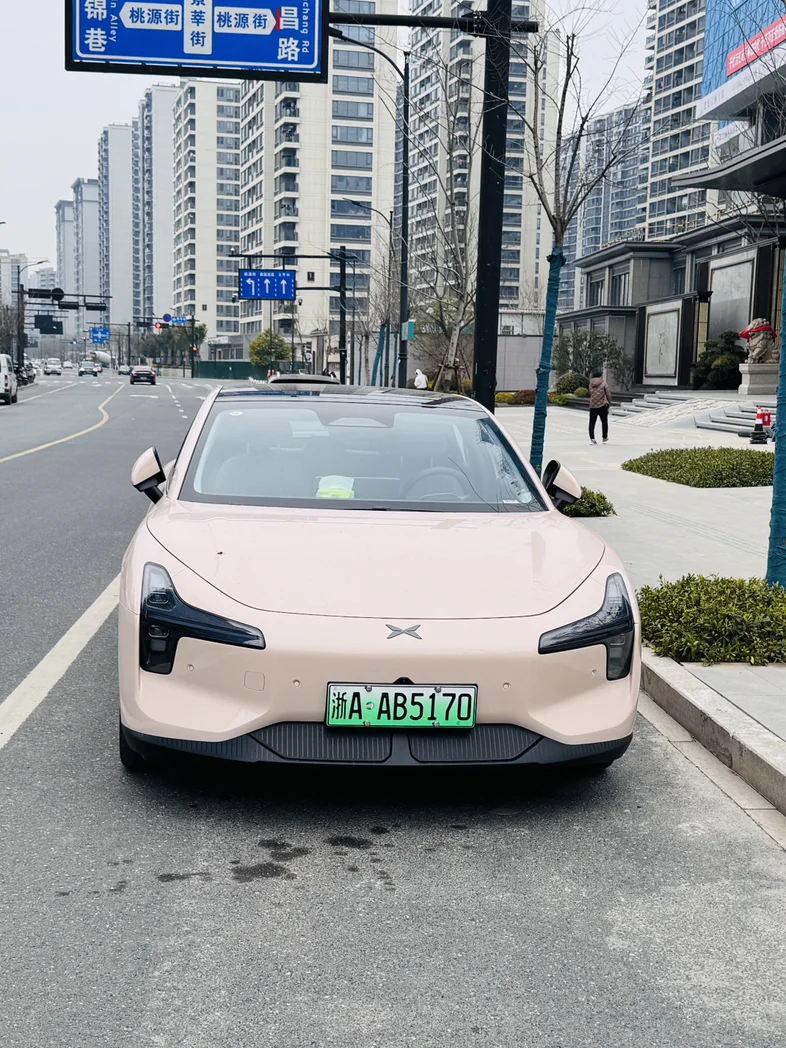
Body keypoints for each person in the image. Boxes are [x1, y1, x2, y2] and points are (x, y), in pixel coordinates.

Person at [588, 370, 612, 445]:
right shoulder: (604, 383)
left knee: (592, 423)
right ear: (600, 376)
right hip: (602, 405)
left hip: (592, 405)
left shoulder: (590, 384)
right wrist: (609, 402)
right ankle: (604, 437)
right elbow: (608, 394)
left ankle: (592, 438)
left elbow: (591, 393)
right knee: (604, 422)